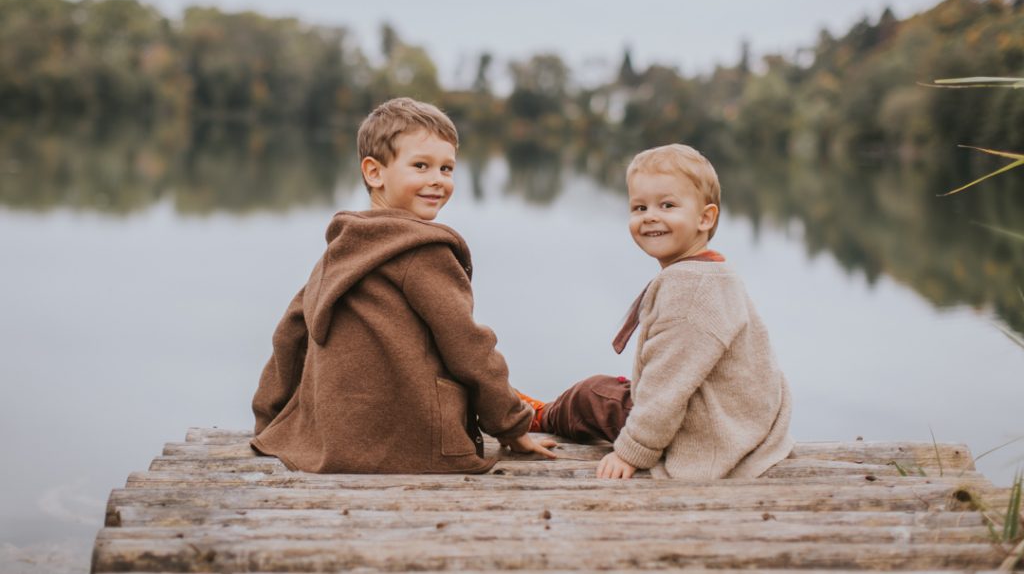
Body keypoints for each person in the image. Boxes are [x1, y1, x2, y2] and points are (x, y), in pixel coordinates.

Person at [251, 97, 556, 473]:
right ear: (374, 172)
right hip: (413, 446)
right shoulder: (423, 252)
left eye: (447, 169)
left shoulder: (344, 246)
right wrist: (511, 425)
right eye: (421, 166)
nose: (437, 181)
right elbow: (469, 347)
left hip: (331, 443)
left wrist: (273, 423)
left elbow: (288, 337)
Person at [519, 144, 793, 480]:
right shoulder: (714, 272)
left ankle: (537, 416)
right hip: (739, 417)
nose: (650, 216)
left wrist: (631, 453)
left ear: (705, 218)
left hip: (705, 431)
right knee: (620, 390)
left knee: (592, 394)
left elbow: (668, 390)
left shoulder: (688, 289)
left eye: (667, 205)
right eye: (639, 207)